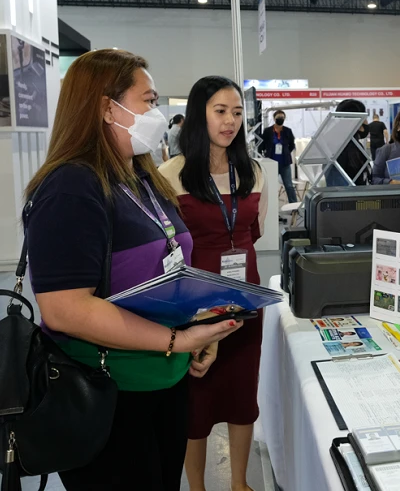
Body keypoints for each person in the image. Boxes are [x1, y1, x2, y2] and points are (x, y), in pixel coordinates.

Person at [24, 49, 241, 490]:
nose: (157, 114)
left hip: (165, 380)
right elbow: (65, 309)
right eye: (148, 101)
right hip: (107, 393)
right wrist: (176, 340)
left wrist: (197, 328)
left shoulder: (141, 177)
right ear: (108, 108)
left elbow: (162, 271)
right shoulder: (71, 187)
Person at [159, 76, 267, 491]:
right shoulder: (171, 175)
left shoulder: (253, 172)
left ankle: (240, 482)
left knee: (243, 395)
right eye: (220, 111)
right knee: (197, 403)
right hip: (195, 303)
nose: (230, 121)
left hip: (245, 299)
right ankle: (198, 486)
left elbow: (253, 233)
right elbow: (167, 245)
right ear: (198, 115)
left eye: (237, 113)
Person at [325, 99, 371, 186]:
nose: (366, 122)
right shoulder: (342, 150)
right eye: (364, 118)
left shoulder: (353, 146)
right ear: (355, 121)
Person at [257, 109, 297, 203]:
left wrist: (286, 152)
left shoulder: (288, 131)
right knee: (271, 185)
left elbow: (292, 145)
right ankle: (270, 206)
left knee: (289, 185)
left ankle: (294, 206)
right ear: (274, 118)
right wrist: (263, 155)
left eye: (282, 117)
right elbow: (262, 144)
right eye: (278, 117)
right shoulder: (268, 131)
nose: (280, 119)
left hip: (284, 163)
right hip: (271, 163)